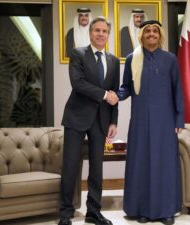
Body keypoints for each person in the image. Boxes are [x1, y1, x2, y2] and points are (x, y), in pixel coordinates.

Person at [117, 20, 184, 225]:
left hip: (165, 121)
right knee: (141, 163)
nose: (151, 34)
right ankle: (142, 209)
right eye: (148, 31)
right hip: (140, 122)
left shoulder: (170, 59)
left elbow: (177, 90)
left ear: (160, 35)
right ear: (142, 36)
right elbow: (126, 87)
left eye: (155, 31)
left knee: (165, 165)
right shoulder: (132, 59)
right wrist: (113, 95)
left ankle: (166, 210)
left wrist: (179, 118)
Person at [59, 16, 120, 225]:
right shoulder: (78, 53)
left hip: (101, 120)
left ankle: (93, 211)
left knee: (97, 167)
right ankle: (65, 213)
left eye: (104, 31)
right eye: (97, 30)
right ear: (90, 33)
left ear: (108, 35)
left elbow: (114, 95)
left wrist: (114, 121)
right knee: (70, 166)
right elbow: (78, 83)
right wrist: (104, 95)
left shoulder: (113, 60)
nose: (101, 34)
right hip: (76, 117)